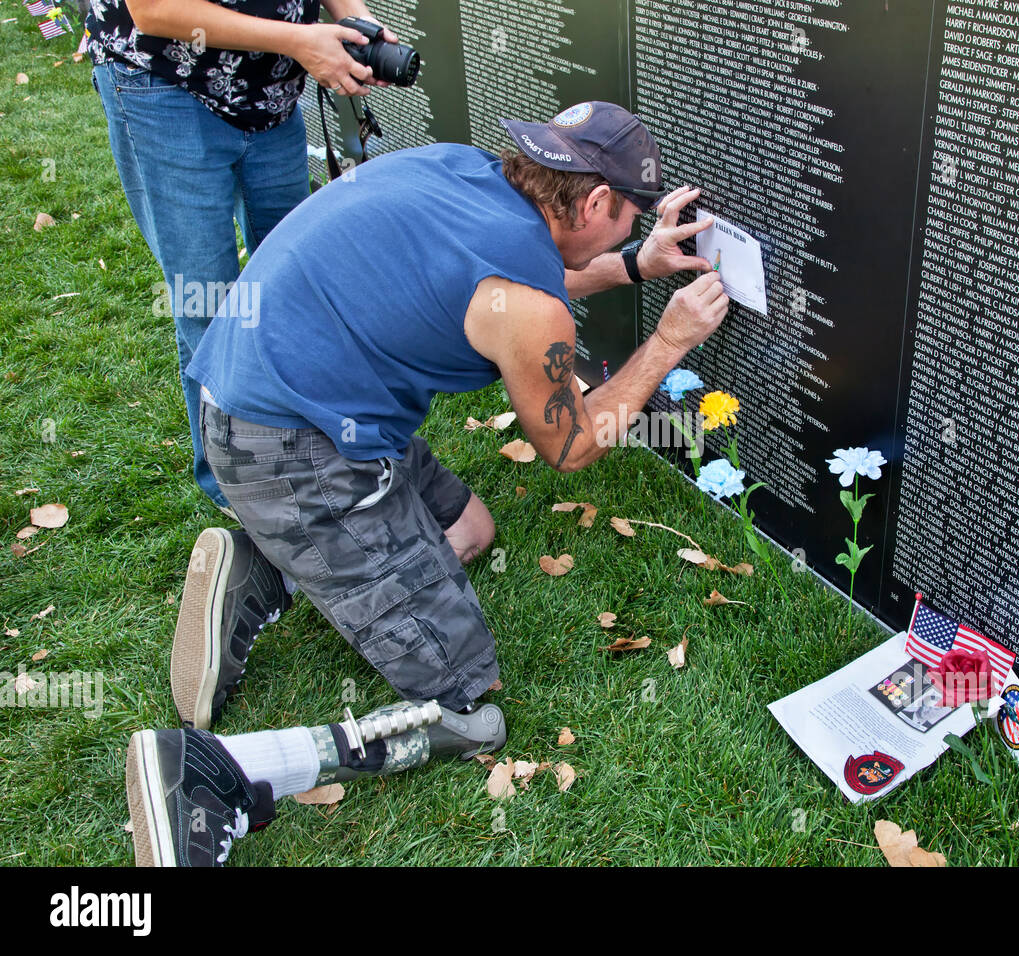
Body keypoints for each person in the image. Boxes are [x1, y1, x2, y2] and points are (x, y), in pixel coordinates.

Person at [123, 101, 731, 865]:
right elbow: (572, 445)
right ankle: (220, 773)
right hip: (292, 446)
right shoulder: (530, 302)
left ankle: (266, 572)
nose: (630, 230)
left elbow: (511, 278)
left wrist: (638, 262)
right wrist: (669, 340)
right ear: (599, 201)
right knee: (466, 707)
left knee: (472, 532)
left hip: (273, 398)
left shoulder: (460, 167)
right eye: (632, 218)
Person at [87, 0, 398, 511]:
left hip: (271, 97)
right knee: (210, 311)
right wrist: (297, 40)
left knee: (303, 298)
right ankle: (243, 497)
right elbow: (154, 8)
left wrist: (356, 23)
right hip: (164, 84)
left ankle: (323, 463)